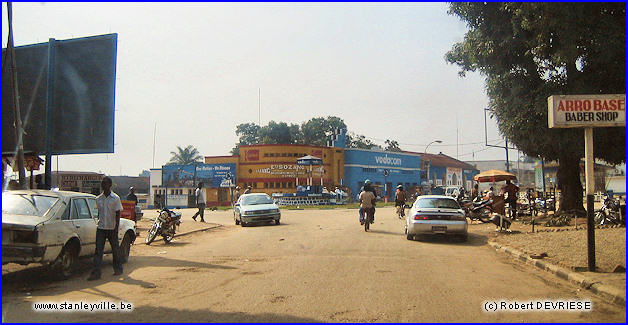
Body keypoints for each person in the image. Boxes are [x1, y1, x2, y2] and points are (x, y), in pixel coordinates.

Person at [88, 176, 123, 281]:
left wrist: (116, 227)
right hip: (101, 228)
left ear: (110, 185)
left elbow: (118, 214)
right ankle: (96, 273)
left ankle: (118, 269)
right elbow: (98, 213)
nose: (104, 186)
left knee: (115, 250)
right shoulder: (98, 199)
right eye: (102, 184)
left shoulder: (115, 198)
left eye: (106, 183)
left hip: (112, 228)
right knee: (98, 251)